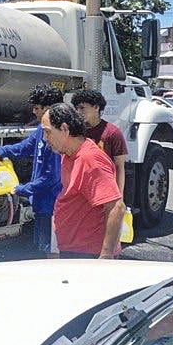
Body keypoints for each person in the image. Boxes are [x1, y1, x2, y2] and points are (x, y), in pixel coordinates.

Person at [41, 102, 126, 259]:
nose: (45, 138)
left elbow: (116, 208)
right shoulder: (68, 155)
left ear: (65, 130)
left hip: (89, 254)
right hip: (74, 249)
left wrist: (105, 257)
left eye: (47, 132)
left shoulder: (90, 159)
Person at [0, 84, 65, 254]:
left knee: (50, 253)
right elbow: (24, 147)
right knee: (42, 248)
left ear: (49, 109)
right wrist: (2, 151)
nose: (34, 112)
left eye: (37, 108)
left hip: (52, 206)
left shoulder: (57, 136)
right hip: (41, 205)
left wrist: (22, 189)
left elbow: (51, 177)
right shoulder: (40, 131)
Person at [70, 89, 128, 192]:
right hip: (81, 191)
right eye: (76, 108)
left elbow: (119, 167)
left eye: (82, 108)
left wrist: (119, 197)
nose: (78, 112)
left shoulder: (112, 133)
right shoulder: (75, 132)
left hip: (105, 191)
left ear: (96, 107)